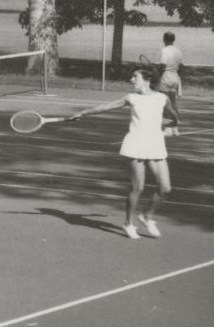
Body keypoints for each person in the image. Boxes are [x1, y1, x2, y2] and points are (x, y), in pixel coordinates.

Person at [67, 64, 179, 240]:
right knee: (138, 187)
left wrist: (170, 125)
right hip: (136, 143)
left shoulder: (162, 98)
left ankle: (147, 216)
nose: (131, 80)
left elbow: (173, 115)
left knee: (165, 188)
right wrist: (83, 112)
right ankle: (128, 223)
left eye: (136, 77)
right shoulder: (131, 98)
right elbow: (106, 106)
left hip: (156, 144)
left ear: (147, 79)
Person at [158, 31, 184, 117]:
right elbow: (181, 66)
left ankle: (164, 120)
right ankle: (176, 119)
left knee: (163, 100)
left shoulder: (164, 50)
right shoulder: (178, 51)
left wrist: (158, 76)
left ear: (164, 40)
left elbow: (163, 66)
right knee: (173, 100)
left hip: (166, 77)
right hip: (175, 77)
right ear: (174, 40)